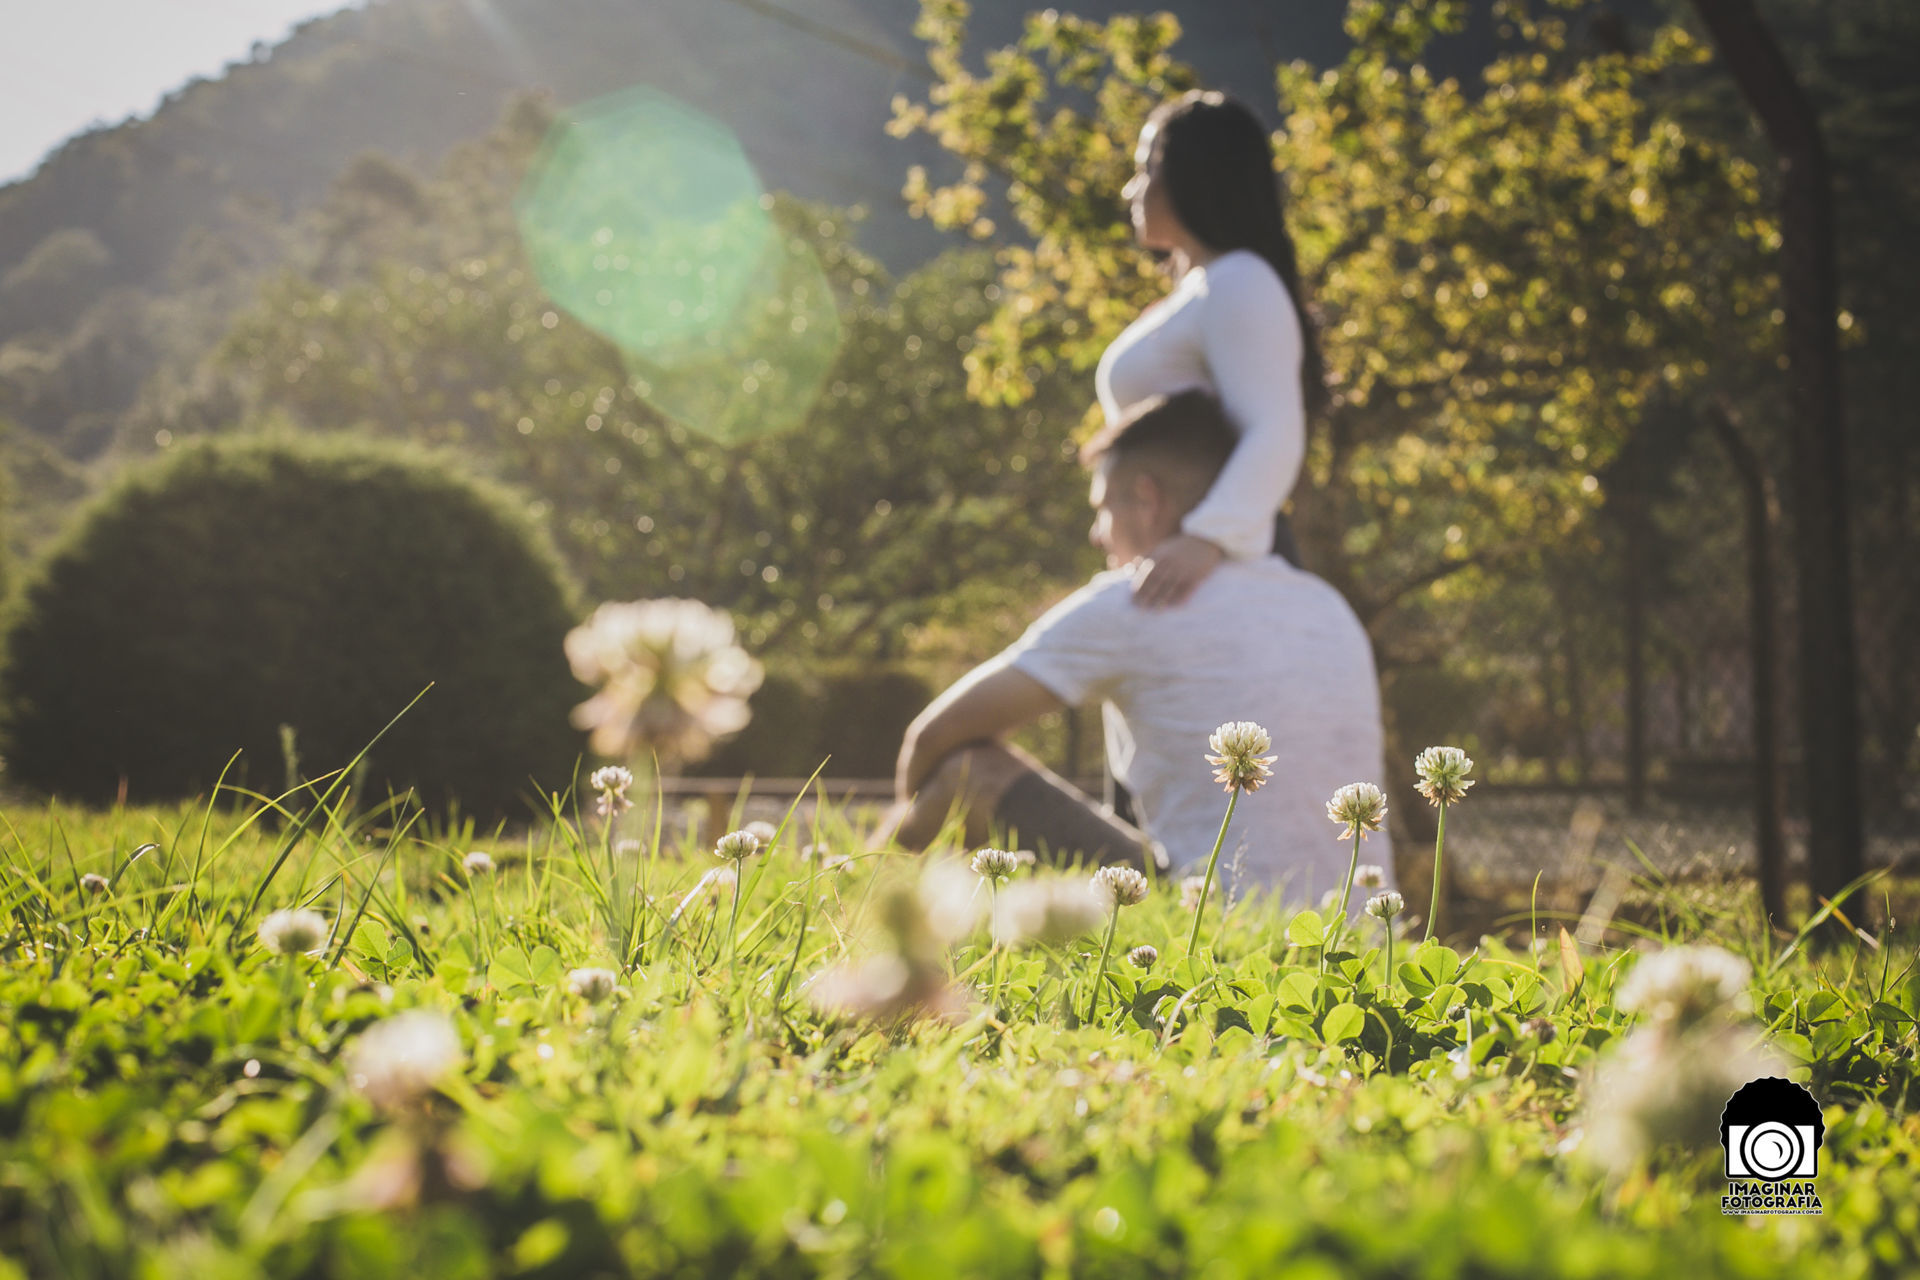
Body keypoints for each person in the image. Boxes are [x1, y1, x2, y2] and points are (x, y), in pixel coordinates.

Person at [880, 389, 1393, 906]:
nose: (1096, 534)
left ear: (1147, 500)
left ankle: (859, 907)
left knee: (970, 772)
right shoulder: (1327, 604)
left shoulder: (1136, 601)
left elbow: (932, 736)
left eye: (1102, 508)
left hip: (1205, 914)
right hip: (1362, 934)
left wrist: (908, 824)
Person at [1103, 89, 1327, 610]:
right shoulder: (1203, 291)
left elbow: (1274, 430)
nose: (1131, 189)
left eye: (1145, 170)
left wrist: (1206, 539)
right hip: (1177, 565)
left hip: (1212, 572)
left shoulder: (1240, 281)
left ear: (1193, 176)